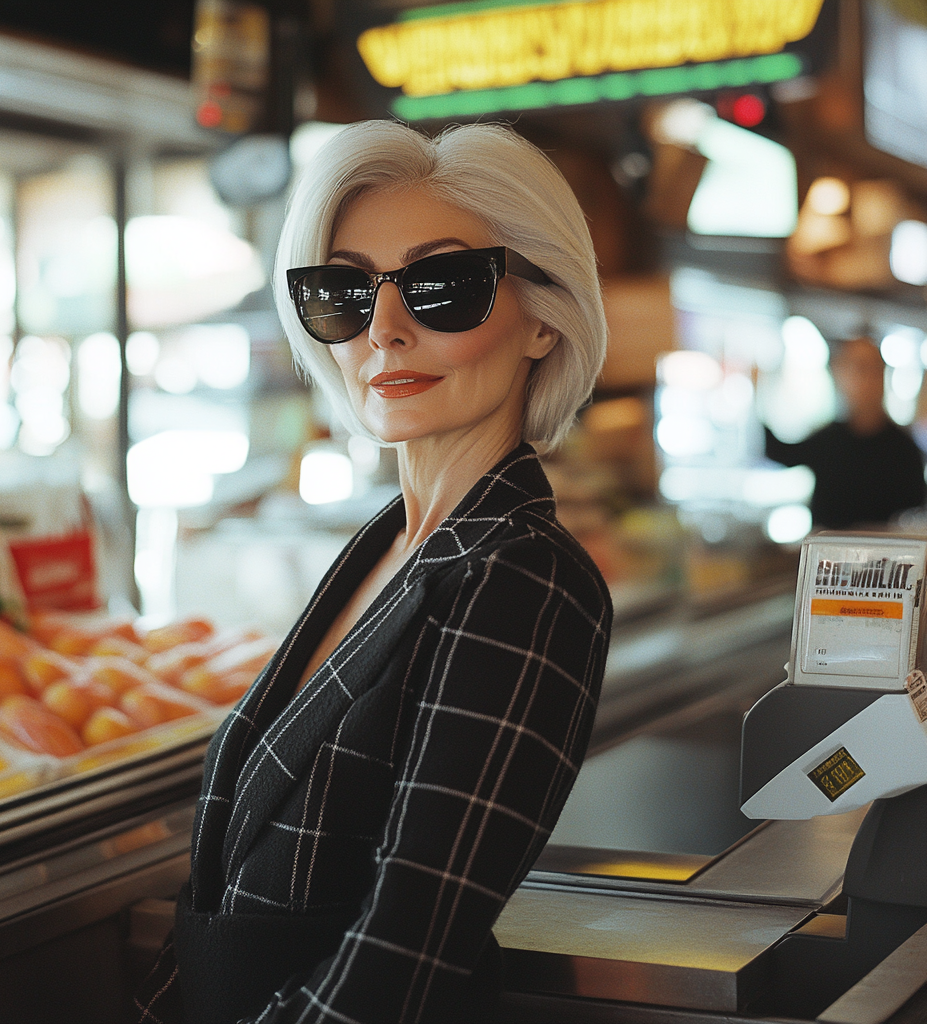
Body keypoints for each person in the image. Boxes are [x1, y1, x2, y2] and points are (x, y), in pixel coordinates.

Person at [135, 121, 612, 1024]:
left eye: (440, 287)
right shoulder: (386, 543)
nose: (383, 331)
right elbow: (221, 881)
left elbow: (406, 949)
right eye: (344, 291)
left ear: (545, 319)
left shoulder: (527, 579)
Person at [764, 336, 926, 529]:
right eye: (854, 368)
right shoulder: (828, 440)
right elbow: (781, 453)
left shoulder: (904, 449)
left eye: (870, 368)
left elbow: (915, 514)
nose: (864, 378)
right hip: (828, 558)